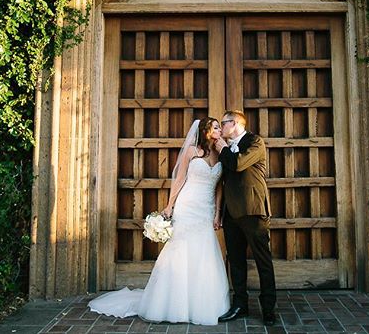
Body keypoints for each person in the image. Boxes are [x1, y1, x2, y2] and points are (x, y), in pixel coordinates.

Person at [88, 117, 230, 325]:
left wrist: (218, 213)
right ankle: (172, 303)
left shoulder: (220, 154)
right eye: (216, 127)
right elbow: (179, 179)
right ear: (206, 131)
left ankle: (202, 302)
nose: (220, 130)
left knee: (204, 253)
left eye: (220, 127)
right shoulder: (191, 151)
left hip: (206, 209)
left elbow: (219, 187)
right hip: (188, 206)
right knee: (179, 252)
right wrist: (170, 205)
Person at [214, 110, 277, 326]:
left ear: (234, 124)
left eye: (223, 124)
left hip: (253, 211)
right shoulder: (224, 147)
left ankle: (268, 308)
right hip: (231, 213)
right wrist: (219, 212)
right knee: (236, 261)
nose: (221, 129)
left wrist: (223, 148)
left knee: (263, 261)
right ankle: (240, 304)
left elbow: (238, 164)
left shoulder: (255, 141)